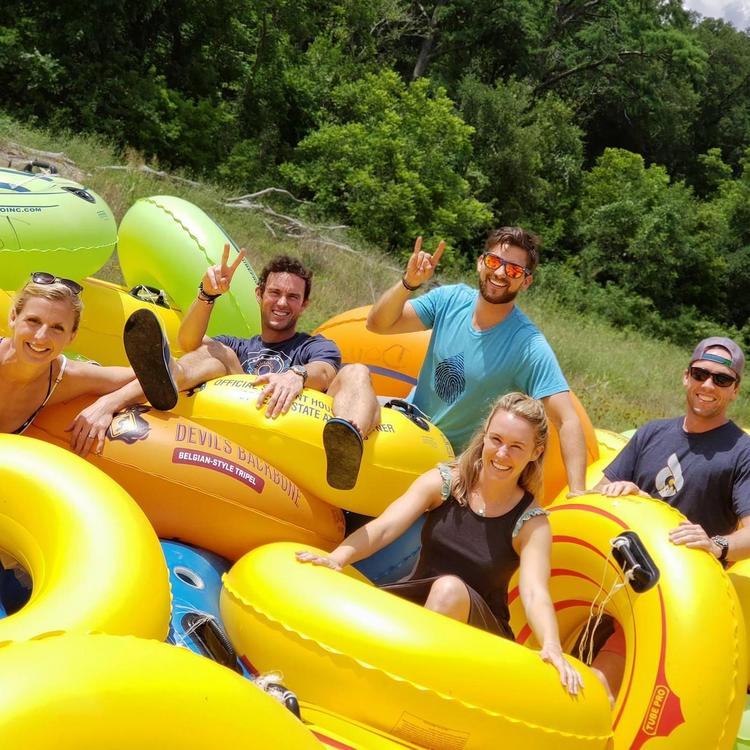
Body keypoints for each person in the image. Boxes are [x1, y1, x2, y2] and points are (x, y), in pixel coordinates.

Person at [297, 392, 584, 695]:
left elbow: (534, 591)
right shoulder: (446, 482)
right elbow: (385, 526)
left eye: (516, 447)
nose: (502, 454)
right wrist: (337, 558)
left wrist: (551, 644)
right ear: (485, 434)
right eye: (496, 439)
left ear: (536, 452)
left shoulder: (531, 522)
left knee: (449, 590)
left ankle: (400, 689)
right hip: (419, 605)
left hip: (479, 635)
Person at [124, 245, 381, 490]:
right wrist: (207, 294)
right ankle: (172, 376)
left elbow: (325, 371)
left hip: (295, 448)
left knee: (357, 371)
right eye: (275, 293)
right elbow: (188, 343)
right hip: (236, 442)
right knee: (213, 351)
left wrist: (297, 374)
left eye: (293, 297)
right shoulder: (236, 348)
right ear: (259, 294)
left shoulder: (314, 346)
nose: (282, 303)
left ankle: (348, 445)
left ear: (304, 305)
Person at [588, 336, 750, 703]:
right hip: (609, 577)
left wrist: (716, 544)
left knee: (598, 687)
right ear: (686, 376)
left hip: (668, 597)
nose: (708, 385)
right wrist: (623, 494)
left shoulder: (741, 452)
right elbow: (593, 498)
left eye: (721, 380)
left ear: (735, 391)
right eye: (700, 374)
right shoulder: (652, 433)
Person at [366, 228, 587, 494]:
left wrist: (577, 492)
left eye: (514, 270)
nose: (501, 273)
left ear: (526, 281)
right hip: (405, 425)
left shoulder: (528, 345)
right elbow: (377, 324)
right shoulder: (451, 299)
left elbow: (567, 420)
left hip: (446, 465)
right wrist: (408, 283)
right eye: (494, 261)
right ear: (481, 262)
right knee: (353, 376)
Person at [0, 272, 148, 453]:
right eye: (33, 321)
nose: (41, 337)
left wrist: (108, 404)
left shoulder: (66, 378)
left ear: (72, 336)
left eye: (57, 328)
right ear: (13, 317)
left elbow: (159, 373)